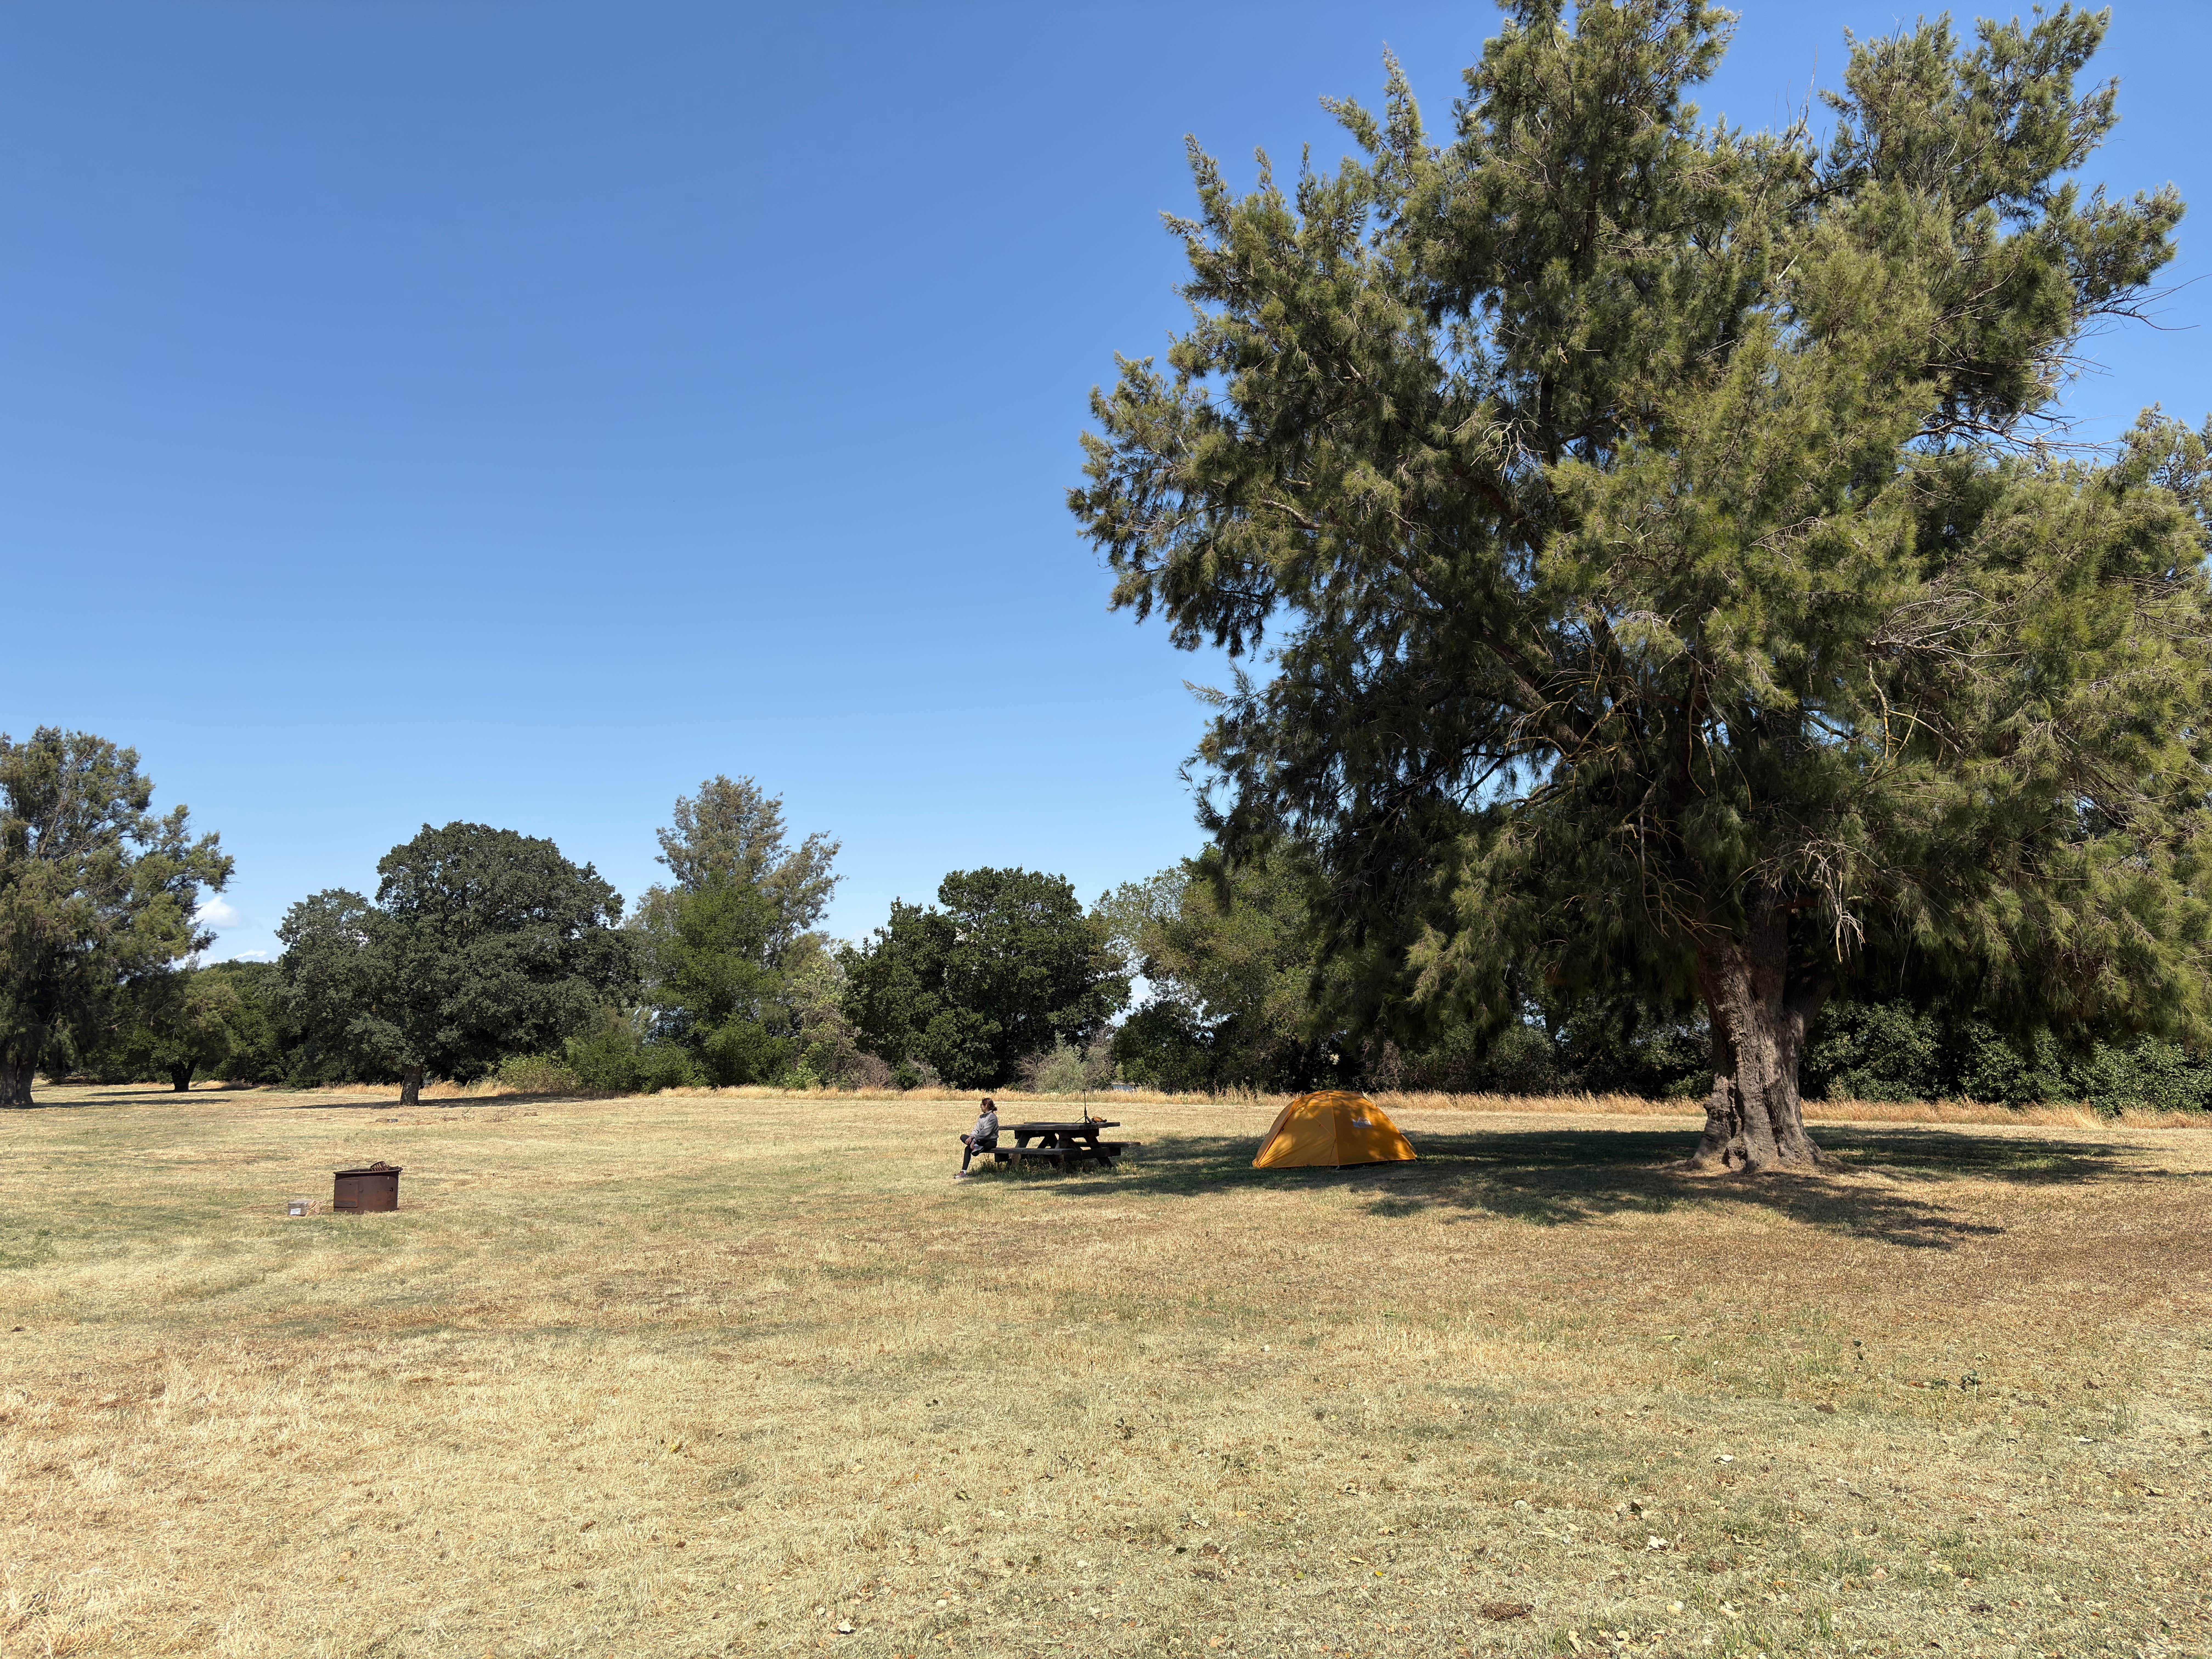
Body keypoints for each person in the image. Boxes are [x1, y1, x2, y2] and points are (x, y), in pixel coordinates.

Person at [957, 1098, 1000, 1178]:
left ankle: (977, 1147)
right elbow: (977, 1129)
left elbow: (985, 1132)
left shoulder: (993, 1118)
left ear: (986, 1106)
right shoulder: (982, 1117)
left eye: (982, 1105)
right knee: (964, 1138)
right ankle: (964, 1172)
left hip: (990, 1142)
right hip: (980, 1141)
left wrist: (975, 1141)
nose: (981, 1107)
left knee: (970, 1150)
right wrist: (971, 1137)